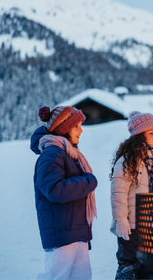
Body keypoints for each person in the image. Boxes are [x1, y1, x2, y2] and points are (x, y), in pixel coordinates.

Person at [30, 106, 98, 280]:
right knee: (56, 276)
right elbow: (54, 190)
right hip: (62, 234)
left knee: (81, 277)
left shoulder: (70, 153)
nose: (81, 131)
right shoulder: (52, 153)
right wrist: (88, 181)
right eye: (77, 126)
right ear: (64, 129)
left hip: (75, 232)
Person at [110, 112, 153, 280]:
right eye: (151, 133)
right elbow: (118, 194)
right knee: (130, 267)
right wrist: (121, 220)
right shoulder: (128, 161)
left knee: (151, 266)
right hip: (133, 226)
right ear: (139, 136)